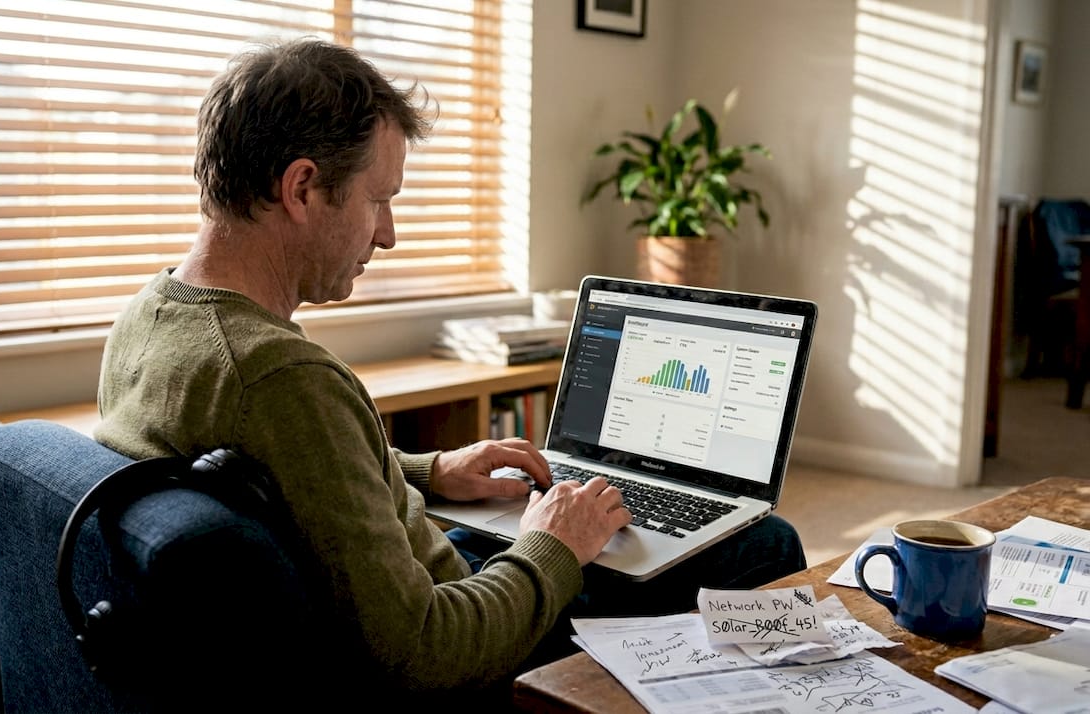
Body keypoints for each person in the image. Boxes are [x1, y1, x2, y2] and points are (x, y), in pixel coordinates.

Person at [92, 37, 805, 702]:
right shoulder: (278, 375)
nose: (389, 233)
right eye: (380, 199)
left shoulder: (156, 314)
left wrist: (432, 471)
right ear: (302, 187)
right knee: (760, 541)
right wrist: (552, 547)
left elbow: (270, 478)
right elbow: (425, 652)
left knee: (534, 524)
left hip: (396, 581)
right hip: (463, 642)